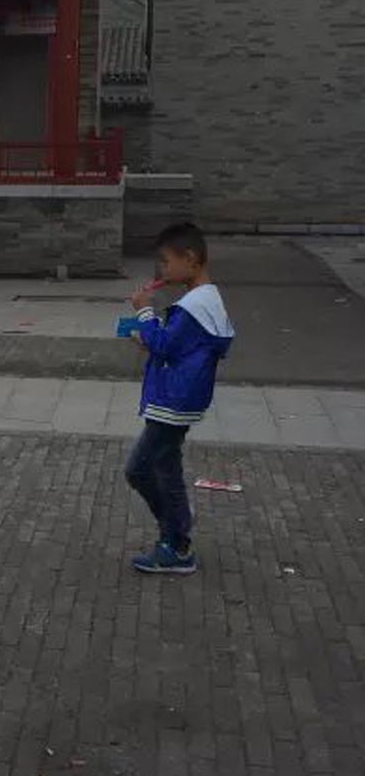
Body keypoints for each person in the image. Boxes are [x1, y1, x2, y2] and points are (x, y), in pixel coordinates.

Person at [124, 222, 235, 575]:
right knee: (167, 468)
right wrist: (150, 337)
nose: (162, 270)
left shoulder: (193, 306)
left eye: (166, 261)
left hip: (173, 400)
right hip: (181, 397)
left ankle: (176, 535)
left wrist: (144, 312)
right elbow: (181, 345)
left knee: (138, 469)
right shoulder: (205, 299)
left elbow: (168, 345)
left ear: (190, 259)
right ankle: (177, 536)